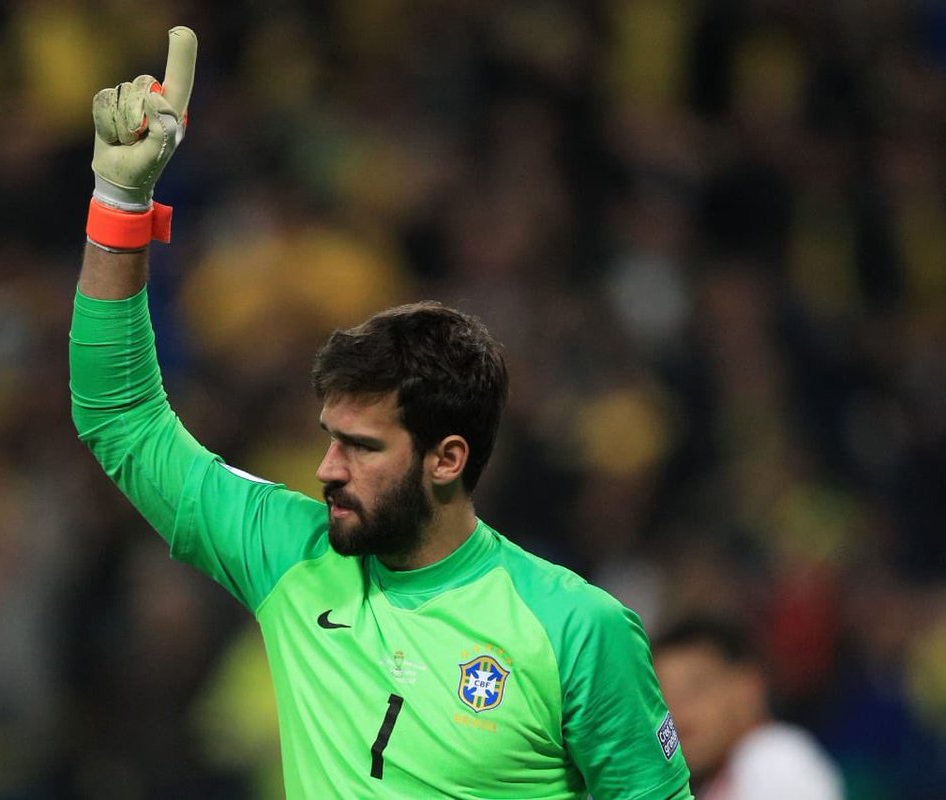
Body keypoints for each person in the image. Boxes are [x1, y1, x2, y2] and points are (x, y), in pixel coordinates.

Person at [69, 26, 693, 799]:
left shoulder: (573, 629)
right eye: (331, 439)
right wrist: (119, 201)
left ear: (447, 458)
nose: (328, 469)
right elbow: (120, 415)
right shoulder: (290, 555)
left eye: (362, 447)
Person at [652, 615, 845, 800]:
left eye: (696, 688)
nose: (678, 713)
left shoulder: (776, 760)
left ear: (748, 686)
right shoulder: (724, 779)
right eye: (666, 698)